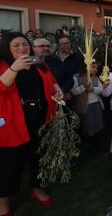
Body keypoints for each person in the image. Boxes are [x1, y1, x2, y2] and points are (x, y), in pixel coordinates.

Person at [0, 32, 62, 215]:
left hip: (40, 118)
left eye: (24, 44)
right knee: (9, 164)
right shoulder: (3, 65)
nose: (22, 48)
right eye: (16, 45)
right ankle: (3, 201)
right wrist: (14, 69)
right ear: (6, 48)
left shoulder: (38, 62)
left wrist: (57, 89)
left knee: (39, 157)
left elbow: (51, 81)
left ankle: (37, 189)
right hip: (13, 123)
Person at [71, 61, 106, 152]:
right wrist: (83, 88)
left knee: (98, 124)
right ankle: (92, 146)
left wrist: (92, 89)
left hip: (96, 103)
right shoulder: (76, 77)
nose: (95, 69)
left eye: (96, 68)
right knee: (89, 125)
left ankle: (99, 145)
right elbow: (73, 92)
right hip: (85, 105)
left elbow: (101, 89)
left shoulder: (95, 78)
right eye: (93, 67)